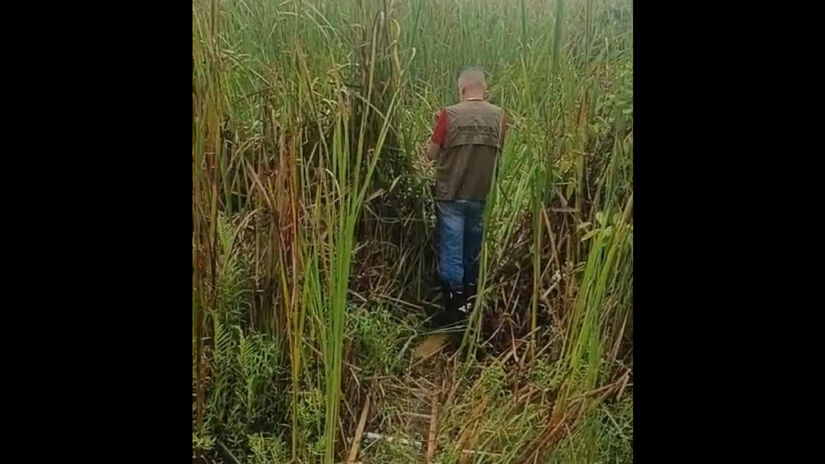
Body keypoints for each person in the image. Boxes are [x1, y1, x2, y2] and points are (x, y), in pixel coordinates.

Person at [424, 67, 508, 325]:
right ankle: (471, 301)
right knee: (472, 251)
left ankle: (455, 308)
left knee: (452, 251)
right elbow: (501, 151)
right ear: (484, 88)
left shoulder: (449, 115)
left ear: (461, 88)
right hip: (482, 195)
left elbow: (431, 153)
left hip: (451, 195)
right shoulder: (500, 117)